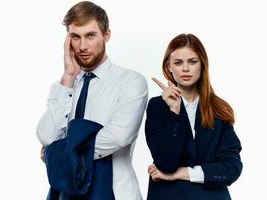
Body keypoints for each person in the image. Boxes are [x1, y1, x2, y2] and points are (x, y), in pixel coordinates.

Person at [36, 1, 147, 199]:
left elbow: (119, 136)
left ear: (106, 35)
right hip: (65, 192)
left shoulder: (130, 81)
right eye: (75, 37)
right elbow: (46, 135)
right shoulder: (66, 85)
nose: (82, 46)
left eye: (90, 35)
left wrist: (59, 152)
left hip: (113, 191)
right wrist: (68, 76)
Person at [145, 33, 242, 200]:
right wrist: (174, 111)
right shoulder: (157, 106)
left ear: (202, 64)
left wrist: (183, 173)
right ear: (168, 66)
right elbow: (165, 163)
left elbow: (231, 169)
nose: (185, 69)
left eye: (192, 61)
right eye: (178, 62)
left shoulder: (219, 109)